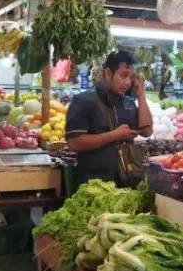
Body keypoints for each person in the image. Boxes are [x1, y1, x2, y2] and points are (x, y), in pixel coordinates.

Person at [66, 50, 153, 187]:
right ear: (108, 73)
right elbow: (74, 143)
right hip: (95, 186)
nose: (128, 83)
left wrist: (140, 95)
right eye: (124, 76)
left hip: (126, 184)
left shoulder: (128, 103)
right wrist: (114, 135)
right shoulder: (83, 101)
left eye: (131, 78)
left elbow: (147, 131)